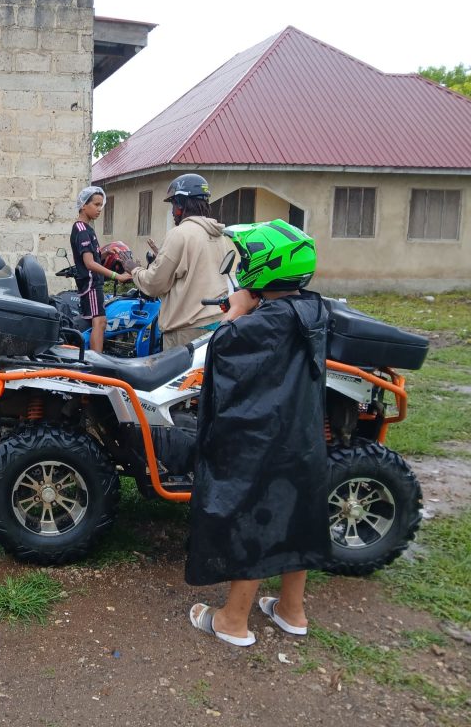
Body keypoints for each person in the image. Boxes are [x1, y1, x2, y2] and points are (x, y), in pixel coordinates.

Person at [186, 219, 328, 647]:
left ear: (264, 268)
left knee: (252, 516)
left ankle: (233, 620)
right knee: (296, 515)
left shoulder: (256, 325)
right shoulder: (315, 310)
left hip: (260, 441)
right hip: (301, 440)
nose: (242, 263)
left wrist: (236, 311)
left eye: (248, 258)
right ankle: (292, 610)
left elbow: (223, 352)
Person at [117, 174, 229, 350]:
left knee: (178, 378)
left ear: (181, 204)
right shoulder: (218, 235)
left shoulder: (180, 234)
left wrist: (134, 269)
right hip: (215, 324)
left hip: (186, 329)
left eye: (173, 204)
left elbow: (155, 284)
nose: (172, 211)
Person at [70, 186, 131, 352]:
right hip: (90, 284)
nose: (99, 209)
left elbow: (94, 258)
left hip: (94, 284)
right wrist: (117, 276)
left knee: (99, 322)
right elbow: (89, 263)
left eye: (101, 205)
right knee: (100, 322)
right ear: (84, 205)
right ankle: (96, 362)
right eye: (96, 205)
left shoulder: (88, 229)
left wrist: (105, 253)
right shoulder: (82, 230)